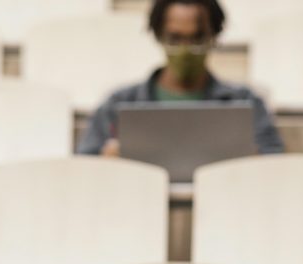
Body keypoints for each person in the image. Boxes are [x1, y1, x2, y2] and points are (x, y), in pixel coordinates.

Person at [78, 0, 285, 157]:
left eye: (197, 38)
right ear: (158, 35)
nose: (185, 49)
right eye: (175, 38)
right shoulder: (120, 103)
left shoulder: (245, 102)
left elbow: (275, 167)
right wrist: (106, 163)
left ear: (214, 36)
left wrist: (254, 159)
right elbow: (84, 168)